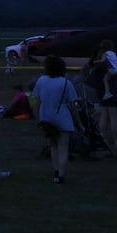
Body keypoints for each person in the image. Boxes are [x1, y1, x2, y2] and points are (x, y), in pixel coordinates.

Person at [32, 54, 80, 184]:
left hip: (45, 116)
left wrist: (37, 119)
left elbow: (37, 101)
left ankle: (56, 171)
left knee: (53, 145)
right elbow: (73, 105)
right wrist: (78, 122)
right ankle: (61, 176)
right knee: (63, 147)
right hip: (62, 117)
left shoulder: (41, 80)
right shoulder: (66, 83)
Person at [92, 40, 117, 153]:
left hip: (101, 93)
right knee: (114, 118)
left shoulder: (98, 67)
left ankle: (104, 139)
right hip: (112, 92)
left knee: (104, 117)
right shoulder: (110, 65)